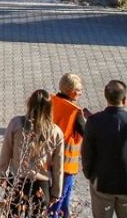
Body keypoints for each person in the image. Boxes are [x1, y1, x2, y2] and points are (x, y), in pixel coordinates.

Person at [81, 80, 127, 218]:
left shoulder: (94, 122)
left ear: (106, 97)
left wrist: (89, 174)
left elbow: (87, 153)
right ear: (125, 99)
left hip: (102, 181)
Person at [0, 89, 64, 217]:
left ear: (29, 104)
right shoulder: (56, 132)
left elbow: (6, 151)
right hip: (41, 186)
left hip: (17, 181)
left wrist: (2, 175)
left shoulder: (16, 124)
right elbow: (58, 167)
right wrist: (56, 192)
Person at [51, 74, 90, 218]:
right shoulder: (75, 112)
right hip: (66, 165)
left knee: (60, 203)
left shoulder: (51, 101)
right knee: (58, 203)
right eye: (79, 90)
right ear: (71, 91)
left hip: (48, 159)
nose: (81, 93)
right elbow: (87, 134)